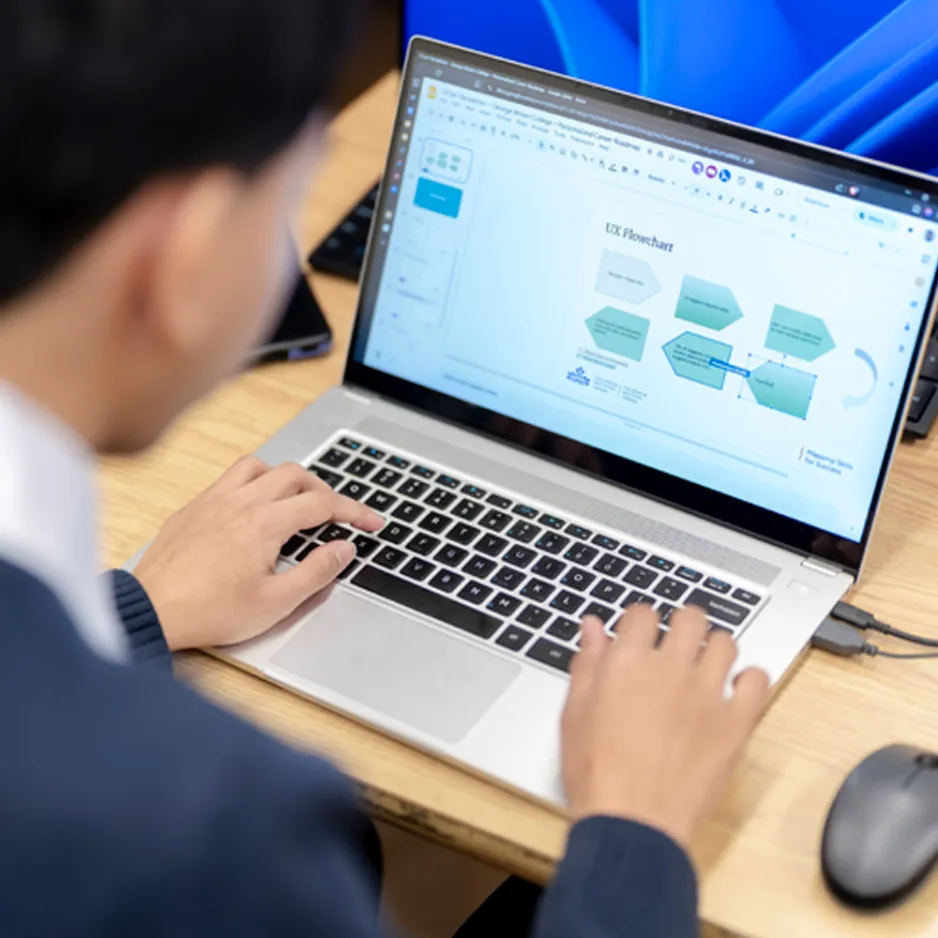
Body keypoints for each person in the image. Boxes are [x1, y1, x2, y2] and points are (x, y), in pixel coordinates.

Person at [0, 2, 770, 935]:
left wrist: (138, 611)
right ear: (185, 257)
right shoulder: (220, 840)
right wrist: (634, 832)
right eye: (291, 201)